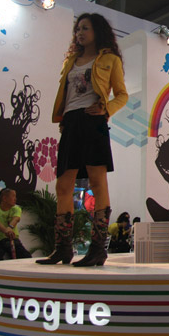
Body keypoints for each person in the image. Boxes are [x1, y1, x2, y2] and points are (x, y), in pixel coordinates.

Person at [37, 13, 128, 267]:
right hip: (71, 122)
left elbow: (122, 94)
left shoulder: (110, 60)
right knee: (63, 185)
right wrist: (64, 118)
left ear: (97, 31)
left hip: (93, 121)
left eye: (85, 28)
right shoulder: (71, 61)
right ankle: (62, 249)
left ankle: (98, 249)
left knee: (98, 182)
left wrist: (106, 109)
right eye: (77, 28)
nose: (80, 32)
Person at [0, 188, 32, 260]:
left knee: (26, 257)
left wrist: (10, 228)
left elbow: (16, 219)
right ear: (4, 198)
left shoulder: (16, 209)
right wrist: (6, 231)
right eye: (13, 196)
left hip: (13, 239)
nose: (15, 199)